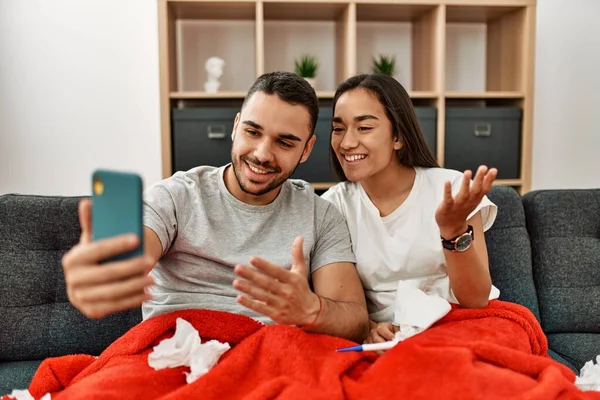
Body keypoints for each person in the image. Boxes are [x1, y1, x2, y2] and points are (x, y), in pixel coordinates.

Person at [62, 71, 369, 343]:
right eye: (253, 132)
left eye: (285, 143)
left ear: (307, 149)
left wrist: (311, 310)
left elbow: (355, 320)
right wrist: (102, 275)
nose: (262, 154)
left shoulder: (321, 215)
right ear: (236, 127)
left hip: (271, 355)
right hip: (176, 353)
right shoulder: (177, 196)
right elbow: (130, 254)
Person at [320, 73, 500, 346]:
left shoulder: (450, 190)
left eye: (364, 127)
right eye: (338, 128)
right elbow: (337, 303)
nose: (346, 143)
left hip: (456, 324)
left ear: (398, 137)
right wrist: (369, 328)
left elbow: (476, 299)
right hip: (380, 336)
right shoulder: (334, 206)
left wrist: (453, 230)